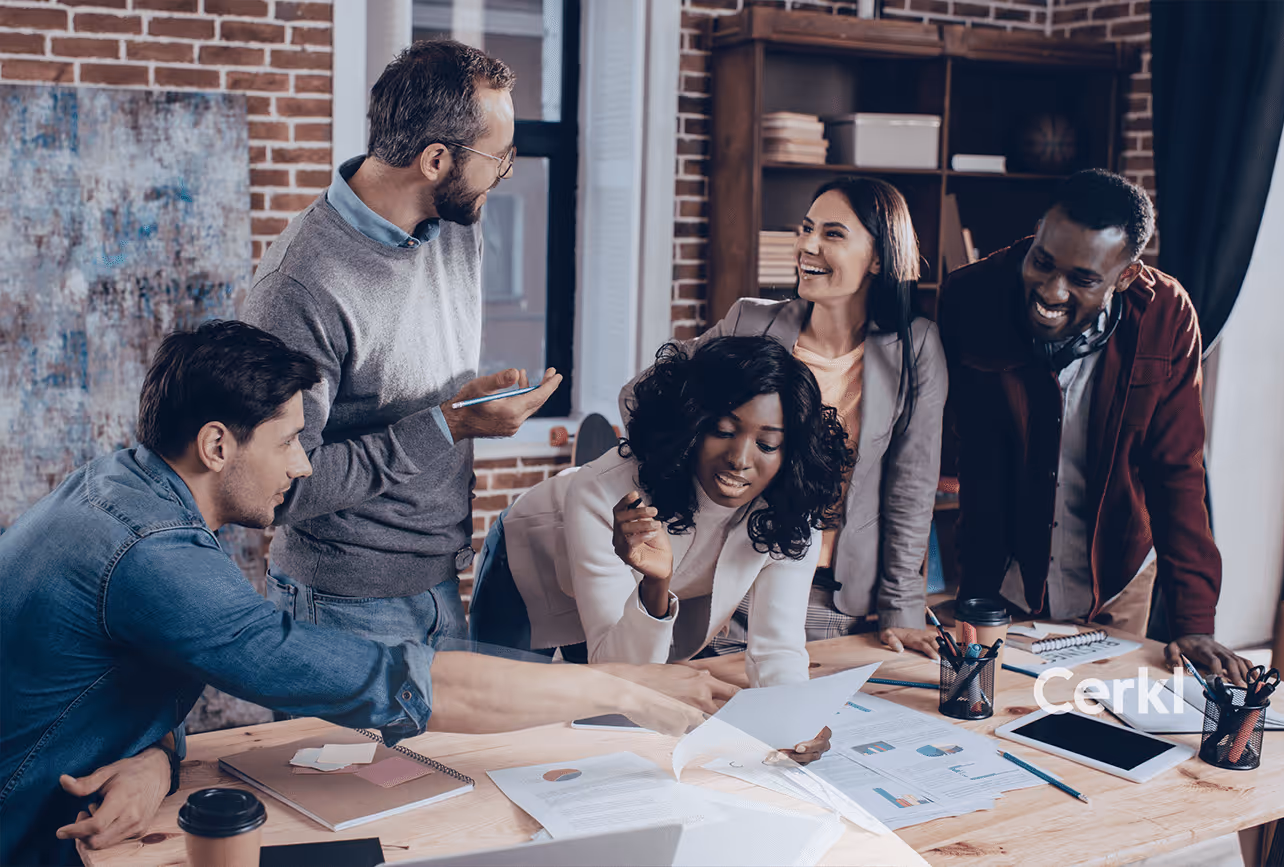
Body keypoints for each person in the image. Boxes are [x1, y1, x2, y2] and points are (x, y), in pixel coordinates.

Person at [0, 322, 736, 867]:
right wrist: (624, 688)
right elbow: (395, 680)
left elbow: (107, 674)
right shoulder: (153, 554)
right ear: (218, 445)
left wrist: (156, 754)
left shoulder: (121, 487)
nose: (305, 466)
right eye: (289, 441)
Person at [241, 39, 559, 648]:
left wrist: (463, 408)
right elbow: (274, 488)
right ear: (436, 159)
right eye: (499, 157)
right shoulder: (300, 286)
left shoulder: (454, 229)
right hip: (342, 607)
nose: (503, 172)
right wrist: (451, 426)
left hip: (441, 585)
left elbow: (412, 395)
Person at [470, 337, 855, 760]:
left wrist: (791, 719)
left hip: (623, 595)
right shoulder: (603, 491)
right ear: (692, 424)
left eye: (767, 445)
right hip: (528, 562)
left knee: (606, 725)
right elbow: (614, 672)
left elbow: (777, 647)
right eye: (722, 431)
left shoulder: (791, 509)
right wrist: (655, 584)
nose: (740, 460)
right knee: (498, 715)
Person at [938, 168, 1252, 684]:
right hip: (1004, 577)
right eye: (1042, 261)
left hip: (1118, 578)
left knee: (1101, 728)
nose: (1051, 290)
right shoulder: (970, 298)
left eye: (1083, 279)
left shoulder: (1167, 316)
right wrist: (973, 588)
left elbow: (1177, 471)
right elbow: (973, 453)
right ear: (1038, 233)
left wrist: (1194, 622)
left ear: (1125, 276)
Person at [620, 177, 948, 658]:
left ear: (879, 257)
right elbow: (641, 397)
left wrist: (902, 608)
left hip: (829, 599)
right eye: (806, 228)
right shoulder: (750, 322)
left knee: (803, 721)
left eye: (833, 234)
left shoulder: (915, 347)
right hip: (723, 582)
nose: (807, 246)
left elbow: (911, 490)